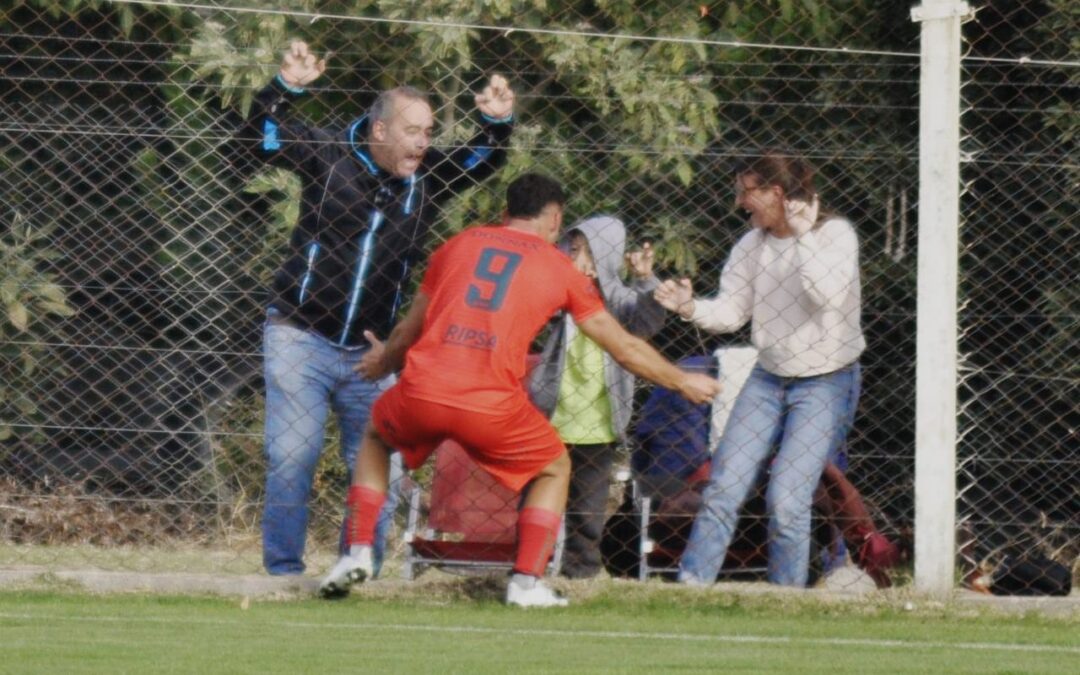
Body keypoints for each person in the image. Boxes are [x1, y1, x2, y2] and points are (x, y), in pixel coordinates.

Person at [316, 173, 721, 607]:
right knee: (554, 468)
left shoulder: (456, 246)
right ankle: (526, 583)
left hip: (424, 390)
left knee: (377, 438)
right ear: (555, 219)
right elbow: (621, 345)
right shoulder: (561, 270)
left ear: (504, 213)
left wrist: (382, 363)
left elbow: (407, 331)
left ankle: (356, 552)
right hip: (489, 405)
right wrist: (682, 380)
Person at [240, 41, 516, 576]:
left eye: (429, 132)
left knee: (380, 471)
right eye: (414, 132)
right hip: (300, 337)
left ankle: (360, 569)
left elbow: (482, 159)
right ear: (380, 130)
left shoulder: (427, 179)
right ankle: (284, 574)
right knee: (292, 458)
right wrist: (286, 87)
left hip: (375, 354)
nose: (424, 142)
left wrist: (496, 123)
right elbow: (263, 139)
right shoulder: (325, 154)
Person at [654, 151, 866, 587]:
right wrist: (689, 308)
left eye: (746, 192)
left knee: (787, 499)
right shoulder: (752, 244)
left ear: (778, 193)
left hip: (825, 381)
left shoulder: (835, 235)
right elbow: (732, 313)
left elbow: (824, 296)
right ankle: (691, 588)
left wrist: (803, 235)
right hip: (768, 378)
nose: (740, 203)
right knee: (722, 489)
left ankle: (784, 598)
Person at [528, 216, 665, 579]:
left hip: (598, 424)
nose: (578, 260)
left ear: (608, 258)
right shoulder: (560, 293)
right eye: (572, 250)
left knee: (586, 511)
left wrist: (645, 281)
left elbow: (647, 322)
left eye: (588, 252)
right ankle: (529, 568)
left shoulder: (619, 300)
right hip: (551, 418)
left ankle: (581, 573)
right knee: (538, 501)